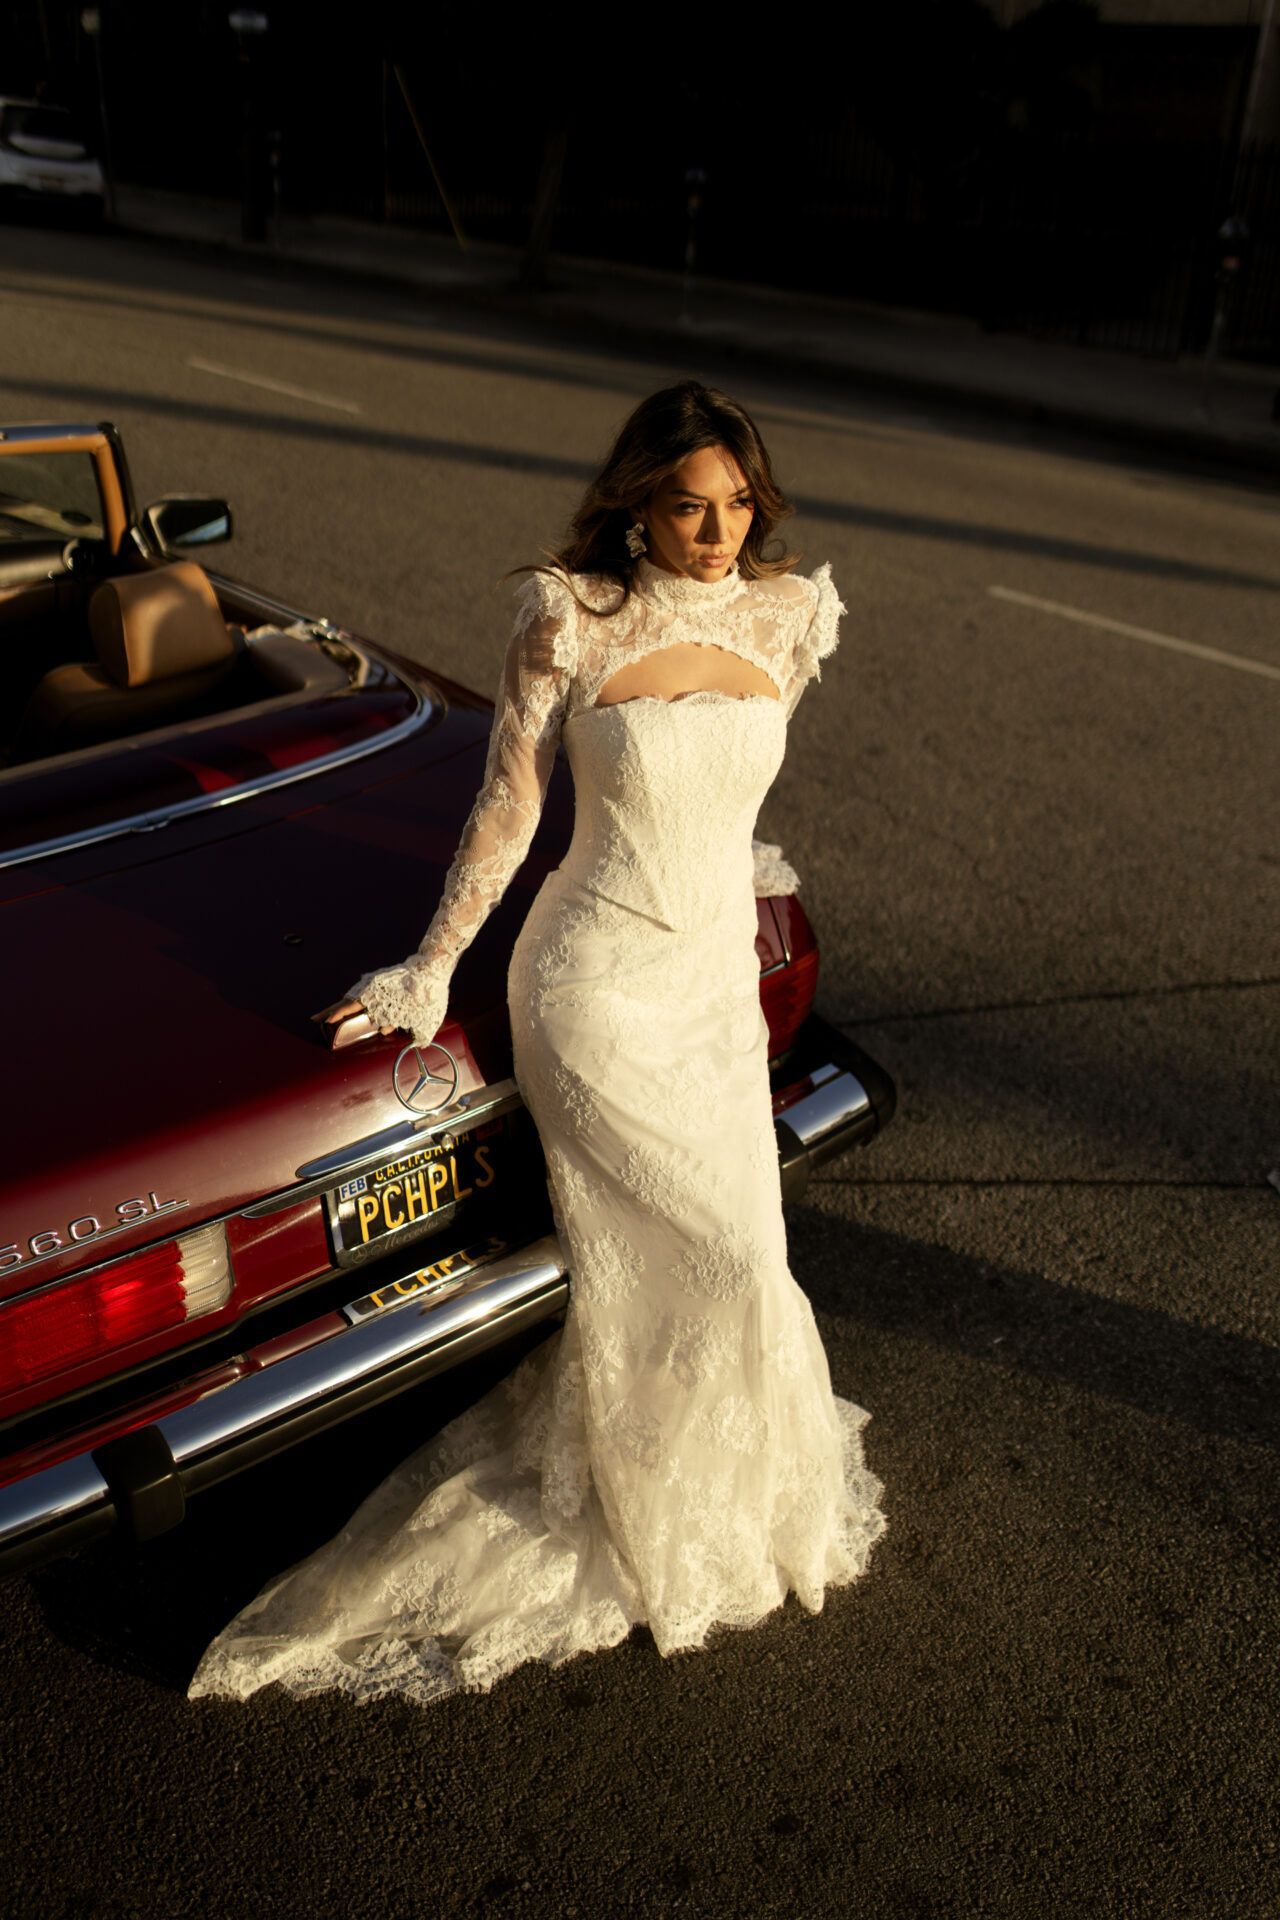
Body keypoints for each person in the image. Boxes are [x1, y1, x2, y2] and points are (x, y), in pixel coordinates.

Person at [187, 378, 887, 1708]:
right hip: (598, 990)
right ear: (636, 502)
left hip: (709, 997)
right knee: (717, 1257)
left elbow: (730, 802)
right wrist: (430, 968)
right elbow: (510, 810)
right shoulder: (571, 618)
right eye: (690, 506)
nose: (719, 531)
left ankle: (729, 1494)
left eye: (738, 504)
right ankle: (646, 1507)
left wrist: (748, 896)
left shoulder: (789, 618)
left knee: (742, 1258)